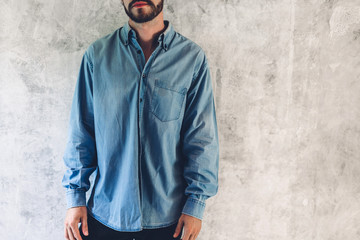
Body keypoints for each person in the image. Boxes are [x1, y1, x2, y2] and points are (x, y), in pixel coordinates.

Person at [61, 0, 219, 239]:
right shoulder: (97, 56)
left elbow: (201, 137)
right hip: (105, 216)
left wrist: (196, 204)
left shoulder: (191, 59)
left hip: (170, 220)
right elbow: (81, 131)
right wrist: (75, 198)